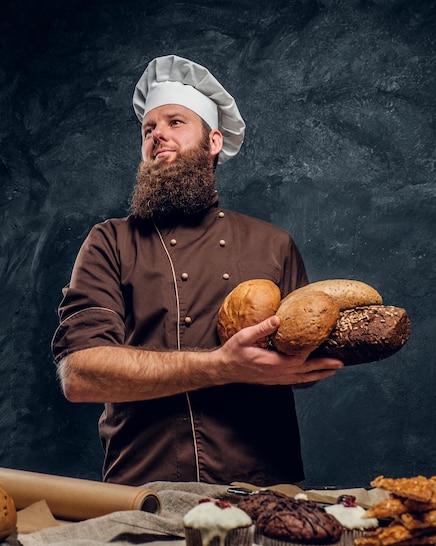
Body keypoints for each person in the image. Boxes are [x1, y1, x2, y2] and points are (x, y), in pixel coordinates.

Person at [51, 54, 343, 487]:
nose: (157, 137)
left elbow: (301, 360)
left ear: (213, 142)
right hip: (143, 489)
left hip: (263, 489)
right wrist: (223, 364)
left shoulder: (272, 244)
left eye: (174, 123)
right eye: (148, 129)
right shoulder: (110, 241)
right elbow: (80, 375)